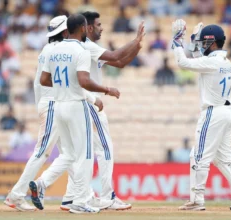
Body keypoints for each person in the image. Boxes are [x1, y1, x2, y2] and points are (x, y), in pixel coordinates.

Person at [4, 15, 102, 212]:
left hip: (52, 104)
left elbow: (39, 81)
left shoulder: (50, 50)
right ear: (64, 31)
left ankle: (76, 196)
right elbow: (71, 82)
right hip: (54, 104)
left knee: (70, 154)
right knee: (43, 152)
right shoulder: (58, 50)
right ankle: (16, 195)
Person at [29, 13, 120, 214]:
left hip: (59, 105)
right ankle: (80, 201)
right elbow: (84, 81)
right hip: (76, 106)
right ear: (81, 28)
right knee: (85, 154)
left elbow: (44, 79)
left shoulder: (53, 49)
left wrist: (64, 86)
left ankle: (43, 183)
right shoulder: (81, 50)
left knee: (69, 154)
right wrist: (107, 90)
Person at [60, 11, 144, 211]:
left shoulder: (89, 48)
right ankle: (108, 196)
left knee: (82, 152)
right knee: (104, 149)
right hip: (90, 104)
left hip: (80, 104)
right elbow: (116, 55)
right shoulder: (86, 46)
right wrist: (135, 40)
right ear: (87, 28)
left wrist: (137, 47)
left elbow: (120, 63)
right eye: (98, 25)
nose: (101, 28)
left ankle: (73, 196)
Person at [172, 19, 231, 211]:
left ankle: (197, 200)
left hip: (213, 112)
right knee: (224, 159)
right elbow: (200, 58)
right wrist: (196, 40)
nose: (202, 45)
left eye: (205, 42)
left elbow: (183, 62)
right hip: (226, 113)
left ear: (213, 43)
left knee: (198, 157)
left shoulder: (212, 62)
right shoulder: (224, 61)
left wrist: (177, 41)